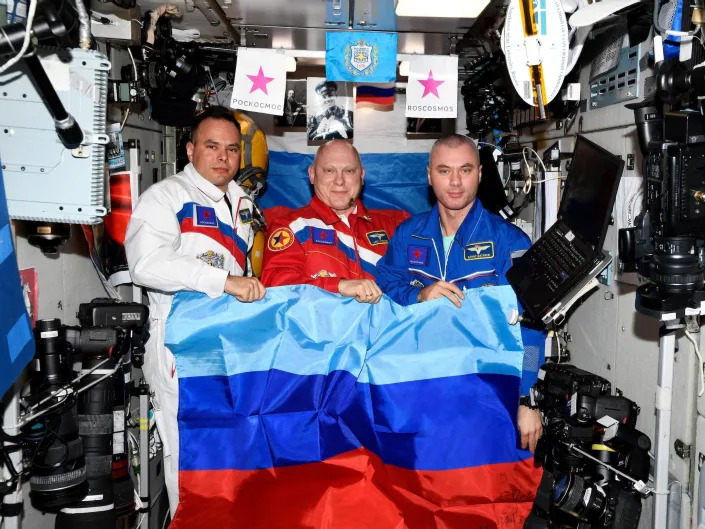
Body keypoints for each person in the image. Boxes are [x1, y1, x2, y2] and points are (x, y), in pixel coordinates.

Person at [124, 106, 266, 514]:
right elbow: (145, 264)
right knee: (189, 464)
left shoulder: (241, 202)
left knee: (229, 462)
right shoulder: (166, 198)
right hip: (180, 352)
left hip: (228, 350)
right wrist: (221, 281)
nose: (223, 157)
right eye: (212, 146)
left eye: (232, 149)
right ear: (190, 150)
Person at [375, 134, 543, 453]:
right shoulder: (408, 235)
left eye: (465, 170)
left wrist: (527, 398)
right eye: (444, 170)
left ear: (480, 173)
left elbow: (532, 325)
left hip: (485, 394)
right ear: (429, 176)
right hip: (418, 389)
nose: (454, 182)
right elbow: (384, 287)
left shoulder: (510, 242)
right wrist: (418, 296)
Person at [261, 140, 407, 303]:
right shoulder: (291, 227)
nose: (339, 181)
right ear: (312, 174)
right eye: (329, 170)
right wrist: (339, 286)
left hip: (387, 327)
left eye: (349, 171)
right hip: (318, 327)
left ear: (362, 175)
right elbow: (276, 285)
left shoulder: (395, 226)